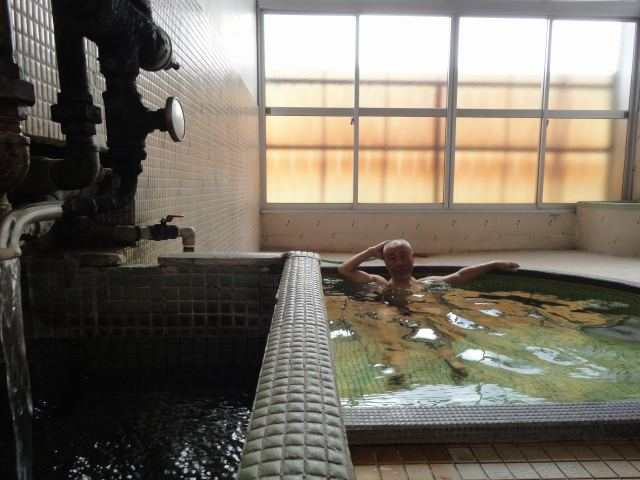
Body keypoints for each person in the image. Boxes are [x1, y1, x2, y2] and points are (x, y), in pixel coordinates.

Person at [337, 239, 519, 290]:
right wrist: (370, 251)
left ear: (413, 258)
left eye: (403, 256)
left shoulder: (427, 283)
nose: (399, 262)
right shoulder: (379, 283)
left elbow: (460, 275)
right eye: (391, 258)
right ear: (385, 262)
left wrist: (493, 264)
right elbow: (344, 270)